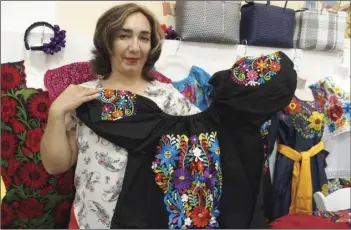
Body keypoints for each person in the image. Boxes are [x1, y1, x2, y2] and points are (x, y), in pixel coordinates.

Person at [40, 3, 200, 229]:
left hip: (147, 221)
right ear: (107, 42)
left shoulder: (168, 99)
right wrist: (56, 112)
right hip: (89, 220)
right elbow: (55, 166)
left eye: (144, 38)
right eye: (124, 36)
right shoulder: (84, 97)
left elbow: (203, 149)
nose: (135, 47)